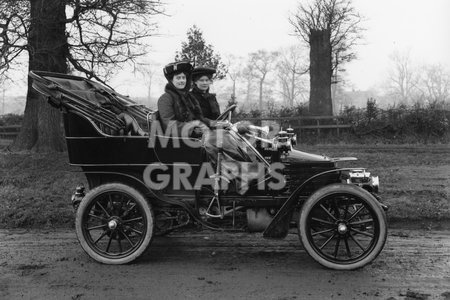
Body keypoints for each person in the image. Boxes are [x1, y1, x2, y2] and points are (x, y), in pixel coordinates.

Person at [157, 61, 207, 137]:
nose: (182, 81)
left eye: (183, 78)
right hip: (176, 142)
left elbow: (199, 119)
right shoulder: (165, 99)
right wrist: (193, 130)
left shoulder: (189, 97)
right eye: (178, 78)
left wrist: (215, 124)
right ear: (171, 80)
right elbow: (170, 125)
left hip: (194, 137)